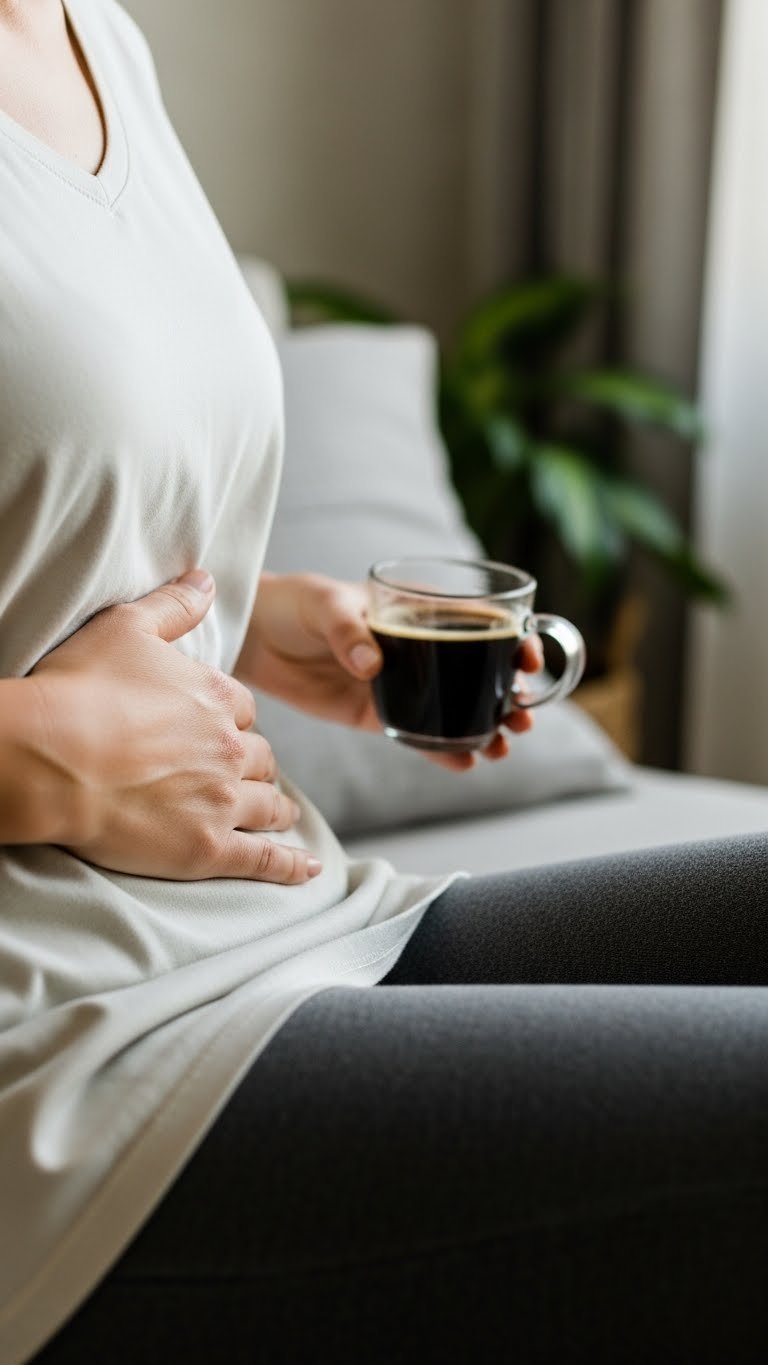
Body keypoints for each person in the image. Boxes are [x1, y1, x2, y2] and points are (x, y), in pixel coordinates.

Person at [1, 3, 766, 1362]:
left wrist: (249, 620)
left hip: (286, 925)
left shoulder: (89, 34)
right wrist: (32, 749)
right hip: (63, 1060)